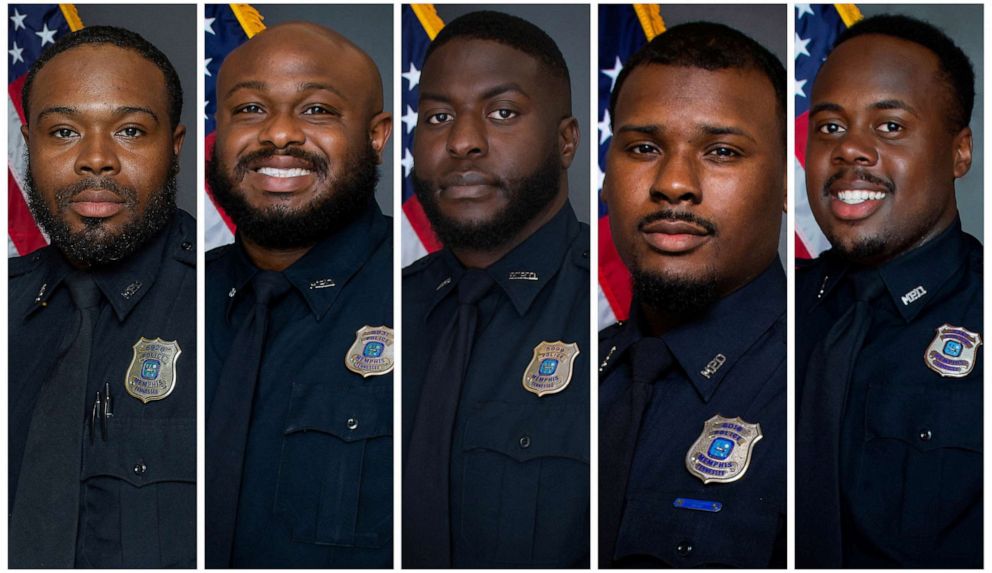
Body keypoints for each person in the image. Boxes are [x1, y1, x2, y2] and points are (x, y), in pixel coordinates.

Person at [402, 10, 589, 568]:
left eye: (502, 112)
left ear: (566, 141)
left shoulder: (620, 310)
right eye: (437, 116)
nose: (462, 142)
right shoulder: (376, 306)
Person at [597, 22, 787, 568]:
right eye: (644, 146)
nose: (674, 182)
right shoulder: (573, 378)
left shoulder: (828, 376)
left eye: (722, 151)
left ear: (783, 186)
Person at [204, 22, 393, 568]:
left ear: (377, 135)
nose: (279, 134)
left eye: (316, 110)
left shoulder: (428, 308)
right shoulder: (174, 296)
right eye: (250, 109)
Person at [796, 14, 981, 568]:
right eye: (829, 127)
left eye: (890, 126)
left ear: (959, 153)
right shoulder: (767, 312)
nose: (850, 149)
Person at [8, 26, 194, 568]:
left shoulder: (233, 306)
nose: (95, 159)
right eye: (63, 131)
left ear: (174, 147)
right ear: (29, 145)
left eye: (131, 130)